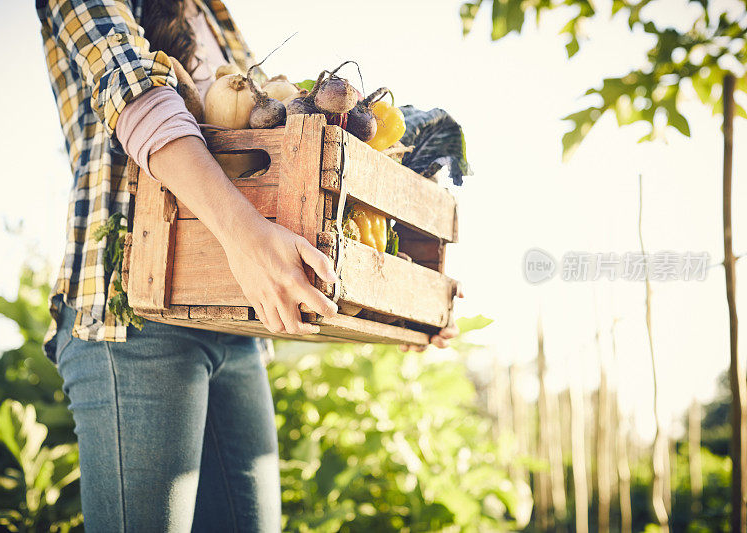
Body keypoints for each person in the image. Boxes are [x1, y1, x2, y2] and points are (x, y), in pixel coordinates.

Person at [36, 0, 460, 531]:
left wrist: (395, 302)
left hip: (234, 319)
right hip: (130, 316)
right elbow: (133, 91)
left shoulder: (214, 16)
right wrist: (247, 237)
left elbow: (276, 157)